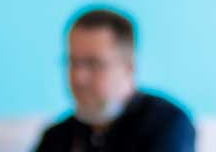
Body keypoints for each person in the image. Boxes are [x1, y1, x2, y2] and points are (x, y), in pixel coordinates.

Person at [36, 8, 195, 152]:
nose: (79, 77)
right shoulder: (57, 137)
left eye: (93, 63)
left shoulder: (167, 123)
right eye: (73, 62)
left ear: (128, 67)